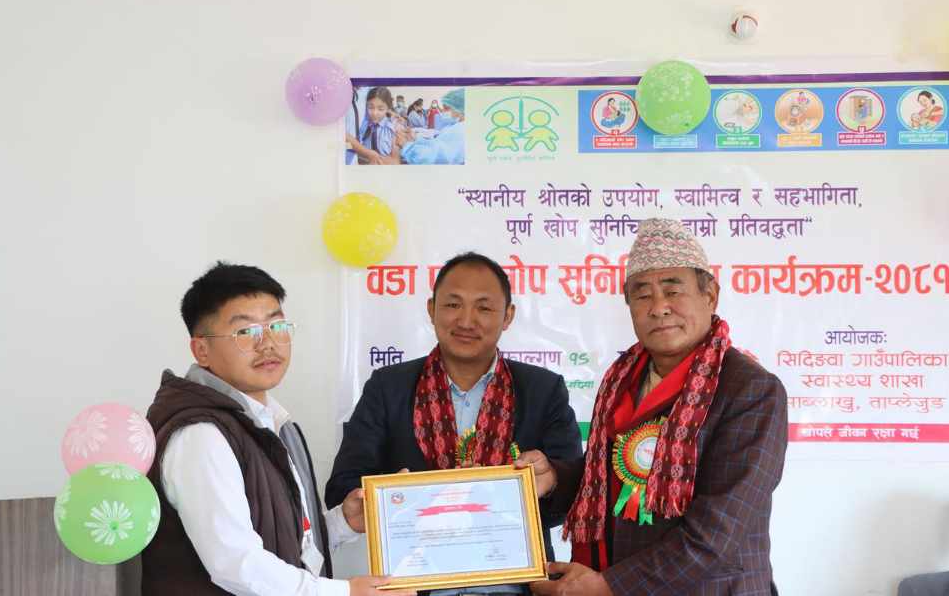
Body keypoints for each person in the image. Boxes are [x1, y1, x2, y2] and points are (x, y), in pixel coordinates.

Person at [519, 219, 789, 596]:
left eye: (673, 290)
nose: (659, 307)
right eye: (643, 294)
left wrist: (610, 586)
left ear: (710, 296)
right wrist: (554, 478)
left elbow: (717, 533)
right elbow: (612, 475)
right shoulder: (621, 379)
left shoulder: (750, 390)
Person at [142, 262, 415, 596]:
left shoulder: (270, 421)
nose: (268, 343)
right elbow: (236, 564)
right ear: (202, 350)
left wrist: (343, 522)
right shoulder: (200, 434)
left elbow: (287, 541)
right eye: (246, 332)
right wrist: (346, 592)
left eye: (277, 325)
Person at [326, 252, 583, 596]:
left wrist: (549, 481)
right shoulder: (388, 387)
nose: (466, 320)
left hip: (516, 587)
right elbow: (342, 488)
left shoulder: (543, 389)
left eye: (484, 308)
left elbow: (573, 499)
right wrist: (390, 497)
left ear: (508, 316)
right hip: (415, 587)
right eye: (452, 304)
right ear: (431, 309)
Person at [401, 89, 466, 164]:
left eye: (446, 108)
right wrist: (417, 138)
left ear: (459, 109)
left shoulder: (459, 130)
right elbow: (438, 140)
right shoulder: (454, 126)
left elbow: (428, 158)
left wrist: (407, 146)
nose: (443, 111)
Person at [346, 87, 398, 165]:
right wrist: (366, 155)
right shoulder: (365, 127)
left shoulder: (393, 128)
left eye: (380, 109)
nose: (374, 113)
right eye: (370, 107)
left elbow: (396, 161)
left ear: (388, 109)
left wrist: (377, 159)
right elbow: (351, 146)